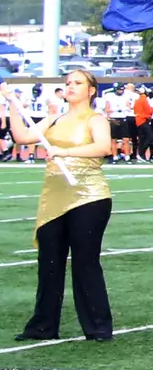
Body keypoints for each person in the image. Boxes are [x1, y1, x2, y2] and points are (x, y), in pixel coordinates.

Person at [9, 68, 114, 342]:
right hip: (54, 198)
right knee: (49, 262)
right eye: (68, 82)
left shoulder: (96, 119)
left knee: (85, 262)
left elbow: (103, 147)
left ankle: (98, 327)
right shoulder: (54, 119)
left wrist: (63, 152)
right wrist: (11, 104)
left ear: (91, 90)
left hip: (89, 196)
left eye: (78, 83)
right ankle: (43, 326)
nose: (71, 86)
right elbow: (22, 137)